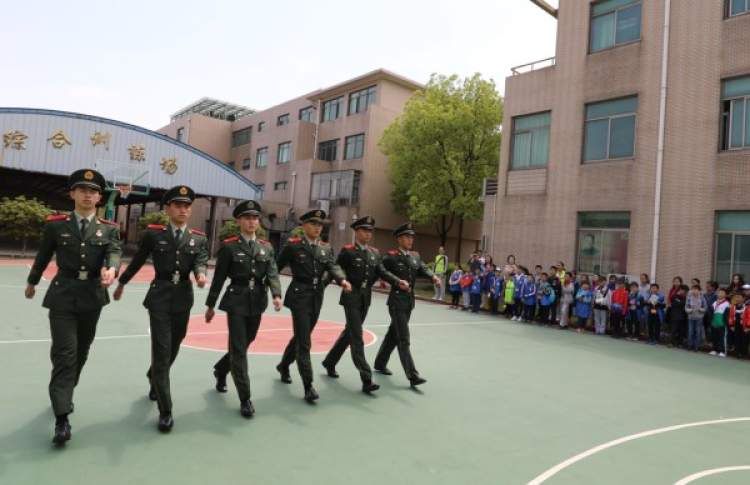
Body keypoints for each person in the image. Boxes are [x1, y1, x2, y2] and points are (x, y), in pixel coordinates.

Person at [25, 169, 121, 445]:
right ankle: (62, 417)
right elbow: (43, 255)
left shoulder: (109, 228)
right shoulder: (56, 225)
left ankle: (64, 391)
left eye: (93, 191)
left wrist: (111, 270)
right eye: (83, 190)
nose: (88, 195)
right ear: (73, 194)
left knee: (81, 351)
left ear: (99, 197)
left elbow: (113, 252)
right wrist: (33, 281)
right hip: (63, 295)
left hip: (92, 295)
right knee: (64, 353)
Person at [114, 185, 208, 432]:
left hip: (183, 297)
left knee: (175, 343)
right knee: (162, 349)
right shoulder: (154, 235)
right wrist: (122, 283)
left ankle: (153, 375)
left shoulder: (198, 238)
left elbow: (200, 261)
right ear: (168, 208)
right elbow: (137, 261)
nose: (183, 210)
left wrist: (200, 274)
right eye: (178, 205)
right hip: (159, 297)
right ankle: (166, 410)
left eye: (187, 206)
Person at [203, 200, 282, 417]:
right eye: (247, 218)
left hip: (257, 301)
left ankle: (221, 369)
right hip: (236, 301)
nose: (251, 222)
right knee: (239, 349)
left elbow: (272, 273)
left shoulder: (266, 247)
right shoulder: (229, 247)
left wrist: (276, 295)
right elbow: (219, 278)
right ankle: (245, 398)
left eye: (255, 218)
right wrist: (211, 305)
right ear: (239, 221)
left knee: (247, 341)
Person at [321, 216, 406, 394]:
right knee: (357, 336)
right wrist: (322, 286)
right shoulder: (348, 251)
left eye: (370, 231)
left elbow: (382, 272)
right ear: (357, 232)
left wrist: (397, 281)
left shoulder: (374, 252)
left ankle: (329, 362)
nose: (368, 234)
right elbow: (335, 270)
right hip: (351, 296)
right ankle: (366, 379)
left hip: (365, 297)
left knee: (350, 333)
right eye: (364, 230)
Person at [276, 209, 352, 403]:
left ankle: (283, 365)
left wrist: (342, 280)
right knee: (304, 342)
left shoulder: (326, 248)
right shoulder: (293, 246)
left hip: (317, 296)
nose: (318, 228)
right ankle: (308, 385)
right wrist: (272, 290)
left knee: (301, 336)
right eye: (313, 224)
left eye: (320, 225)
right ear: (304, 226)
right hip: (299, 296)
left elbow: (333, 266)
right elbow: (275, 268)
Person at [374, 223, 441, 388]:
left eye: (412, 237)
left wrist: (433, 276)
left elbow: (423, 268)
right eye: (407, 237)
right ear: (399, 239)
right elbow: (381, 270)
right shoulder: (391, 256)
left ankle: (380, 363)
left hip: (409, 302)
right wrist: (395, 281)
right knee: (403, 338)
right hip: (396, 301)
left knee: (393, 334)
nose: (410, 240)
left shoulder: (415, 256)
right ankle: (412, 375)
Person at [685, 284, 707, 351]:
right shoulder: (689, 297)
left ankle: (696, 346)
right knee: (690, 331)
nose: (694, 291)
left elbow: (705, 307)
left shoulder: (702, 298)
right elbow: (686, 307)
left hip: (699, 318)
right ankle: (689, 345)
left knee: (698, 332)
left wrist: (700, 309)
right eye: (693, 289)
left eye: (696, 289)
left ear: (699, 291)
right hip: (691, 317)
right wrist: (689, 310)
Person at [727, 291, 750, 358]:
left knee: (744, 340)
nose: (737, 299)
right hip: (736, 326)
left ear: (743, 298)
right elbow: (731, 317)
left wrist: (748, 326)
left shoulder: (747, 307)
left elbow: (749, 317)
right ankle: (737, 353)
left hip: (744, 326)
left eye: (739, 297)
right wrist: (731, 325)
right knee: (737, 339)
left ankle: (744, 353)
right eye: (736, 297)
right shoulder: (733, 307)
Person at [709, 288, 729, 357]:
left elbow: (727, 315)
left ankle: (722, 351)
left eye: (722, 293)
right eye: (719, 293)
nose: (720, 294)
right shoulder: (715, 302)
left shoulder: (727, 304)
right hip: (714, 322)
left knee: (721, 338)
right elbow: (711, 312)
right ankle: (714, 350)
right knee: (714, 337)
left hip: (722, 323)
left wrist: (725, 323)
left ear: (725, 295)